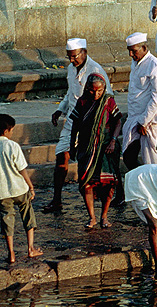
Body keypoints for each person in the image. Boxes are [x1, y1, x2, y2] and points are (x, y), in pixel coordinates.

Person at [43, 38, 112, 213]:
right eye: (69, 57)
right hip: (72, 120)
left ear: (84, 53)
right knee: (61, 156)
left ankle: (103, 206)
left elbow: (108, 98)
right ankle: (57, 200)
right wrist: (60, 109)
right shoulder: (70, 69)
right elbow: (70, 92)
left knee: (92, 164)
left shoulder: (96, 70)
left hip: (91, 123)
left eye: (74, 57)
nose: (72, 60)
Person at [0, 114, 42, 264]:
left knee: (6, 219)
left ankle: (11, 254)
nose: (12, 133)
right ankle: (30, 249)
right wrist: (31, 186)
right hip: (19, 189)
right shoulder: (13, 146)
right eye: (12, 130)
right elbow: (22, 170)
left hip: (0, 192)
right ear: (6, 131)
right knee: (27, 213)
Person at [69, 74, 122, 230]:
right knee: (86, 182)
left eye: (99, 91)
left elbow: (118, 121)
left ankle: (104, 216)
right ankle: (91, 217)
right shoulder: (82, 102)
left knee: (108, 182)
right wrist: (72, 144)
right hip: (87, 147)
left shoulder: (108, 101)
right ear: (87, 89)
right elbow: (75, 124)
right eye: (92, 91)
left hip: (106, 146)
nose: (96, 94)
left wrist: (113, 140)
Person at [121, 33, 157, 173]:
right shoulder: (135, 63)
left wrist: (144, 121)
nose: (130, 54)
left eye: (133, 50)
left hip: (149, 121)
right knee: (128, 156)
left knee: (152, 162)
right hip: (134, 118)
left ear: (144, 47)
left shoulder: (155, 65)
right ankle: (142, 182)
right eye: (129, 50)